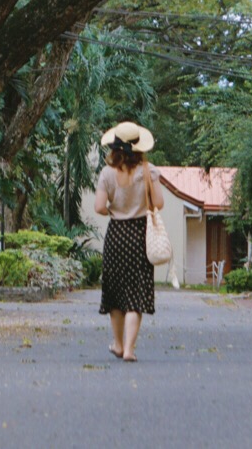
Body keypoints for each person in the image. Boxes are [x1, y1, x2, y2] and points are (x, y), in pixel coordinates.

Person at [93, 121, 163, 362]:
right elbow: (159, 203)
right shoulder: (148, 170)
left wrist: (115, 209)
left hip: (117, 236)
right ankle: (131, 349)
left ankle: (118, 344)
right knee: (136, 293)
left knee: (116, 293)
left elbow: (99, 207)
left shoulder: (107, 174)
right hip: (140, 234)